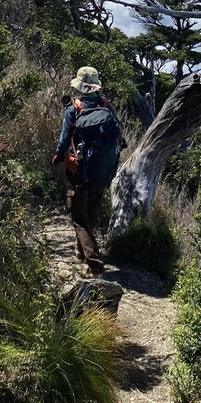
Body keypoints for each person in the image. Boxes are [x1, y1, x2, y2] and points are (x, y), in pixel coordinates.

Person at [51, 66, 123, 276]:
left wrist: (57, 155)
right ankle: (80, 250)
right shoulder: (108, 109)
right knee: (87, 211)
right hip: (103, 173)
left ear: (81, 87)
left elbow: (64, 140)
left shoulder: (74, 109)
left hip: (80, 173)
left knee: (77, 217)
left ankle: (94, 262)